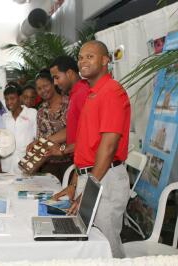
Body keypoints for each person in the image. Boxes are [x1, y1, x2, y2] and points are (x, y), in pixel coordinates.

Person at [69, 40, 131, 258]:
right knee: (91, 249)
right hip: (93, 177)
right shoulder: (93, 93)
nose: (83, 61)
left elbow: (109, 145)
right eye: (80, 57)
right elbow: (88, 144)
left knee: (108, 248)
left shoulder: (112, 91)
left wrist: (89, 188)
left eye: (90, 56)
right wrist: (80, 181)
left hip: (105, 179)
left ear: (105, 60)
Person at [45, 56, 91, 200]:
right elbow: (72, 130)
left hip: (88, 166)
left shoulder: (82, 94)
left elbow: (89, 138)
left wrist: (63, 150)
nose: (55, 83)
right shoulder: (75, 94)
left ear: (70, 73)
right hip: (80, 165)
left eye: (57, 77)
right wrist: (45, 141)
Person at [30, 69, 72, 181]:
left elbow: (75, 132)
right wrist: (31, 164)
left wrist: (44, 141)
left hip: (70, 165)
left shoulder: (70, 104)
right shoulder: (41, 112)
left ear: (53, 83)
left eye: (45, 85)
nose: (43, 90)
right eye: (39, 89)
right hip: (48, 166)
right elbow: (41, 142)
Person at [1, 83, 37, 174]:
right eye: (6, 99)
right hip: (7, 165)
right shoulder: (4, 117)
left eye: (12, 98)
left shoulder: (32, 113)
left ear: (20, 98)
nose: (9, 102)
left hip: (26, 164)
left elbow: (37, 138)